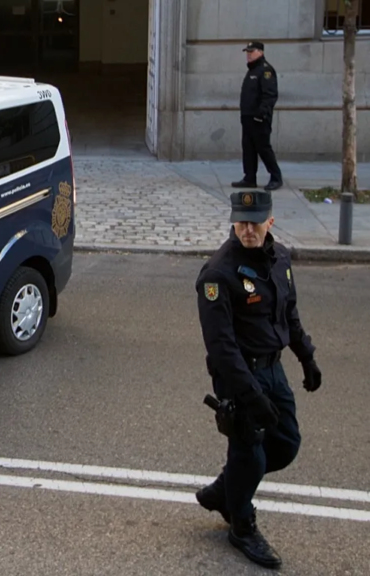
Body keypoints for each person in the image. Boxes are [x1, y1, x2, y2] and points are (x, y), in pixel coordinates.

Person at [193, 190, 322, 569]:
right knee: (249, 451)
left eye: (255, 223)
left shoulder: (280, 258)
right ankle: (241, 525)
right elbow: (221, 347)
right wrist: (251, 396)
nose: (248, 230)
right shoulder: (218, 274)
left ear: (270, 221)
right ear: (233, 222)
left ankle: (225, 489)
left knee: (286, 444)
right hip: (239, 377)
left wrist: (306, 356)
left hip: (272, 368)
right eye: (241, 222)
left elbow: (289, 313)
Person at [232, 41, 283, 192]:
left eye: (251, 51)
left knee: (263, 148)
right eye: (247, 52)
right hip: (248, 117)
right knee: (248, 148)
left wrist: (262, 113)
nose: (248, 55)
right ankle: (249, 178)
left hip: (259, 118)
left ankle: (276, 177)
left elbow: (270, 95)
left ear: (260, 52)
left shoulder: (265, 70)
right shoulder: (252, 70)